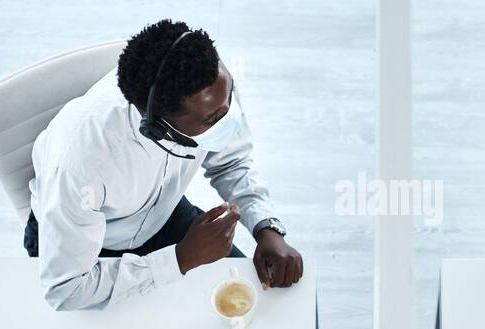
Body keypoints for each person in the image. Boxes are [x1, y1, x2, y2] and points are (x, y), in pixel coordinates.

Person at [24, 20, 303, 310]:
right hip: (90, 249)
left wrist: (266, 227)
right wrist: (180, 259)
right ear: (158, 130)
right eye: (211, 121)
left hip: (161, 215)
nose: (228, 119)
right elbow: (67, 290)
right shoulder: (81, 165)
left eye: (228, 102)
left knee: (254, 308)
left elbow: (231, 161)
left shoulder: (212, 85)